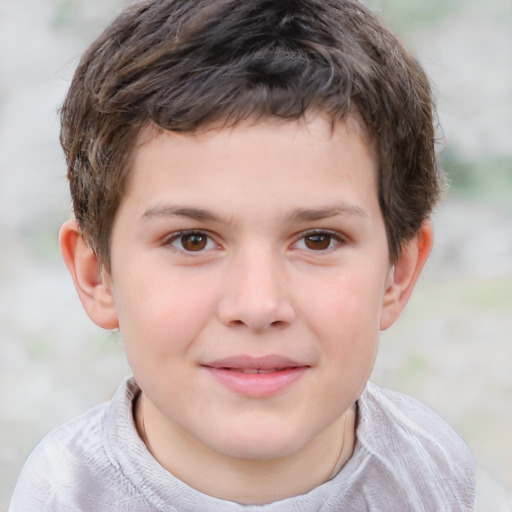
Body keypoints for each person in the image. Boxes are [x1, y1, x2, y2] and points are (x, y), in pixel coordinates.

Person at [9, 0, 476, 510]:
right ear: (98, 275)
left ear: (398, 274)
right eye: (193, 240)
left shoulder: (430, 470)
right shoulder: (61, 496)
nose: (257, 306)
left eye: (318, 239)